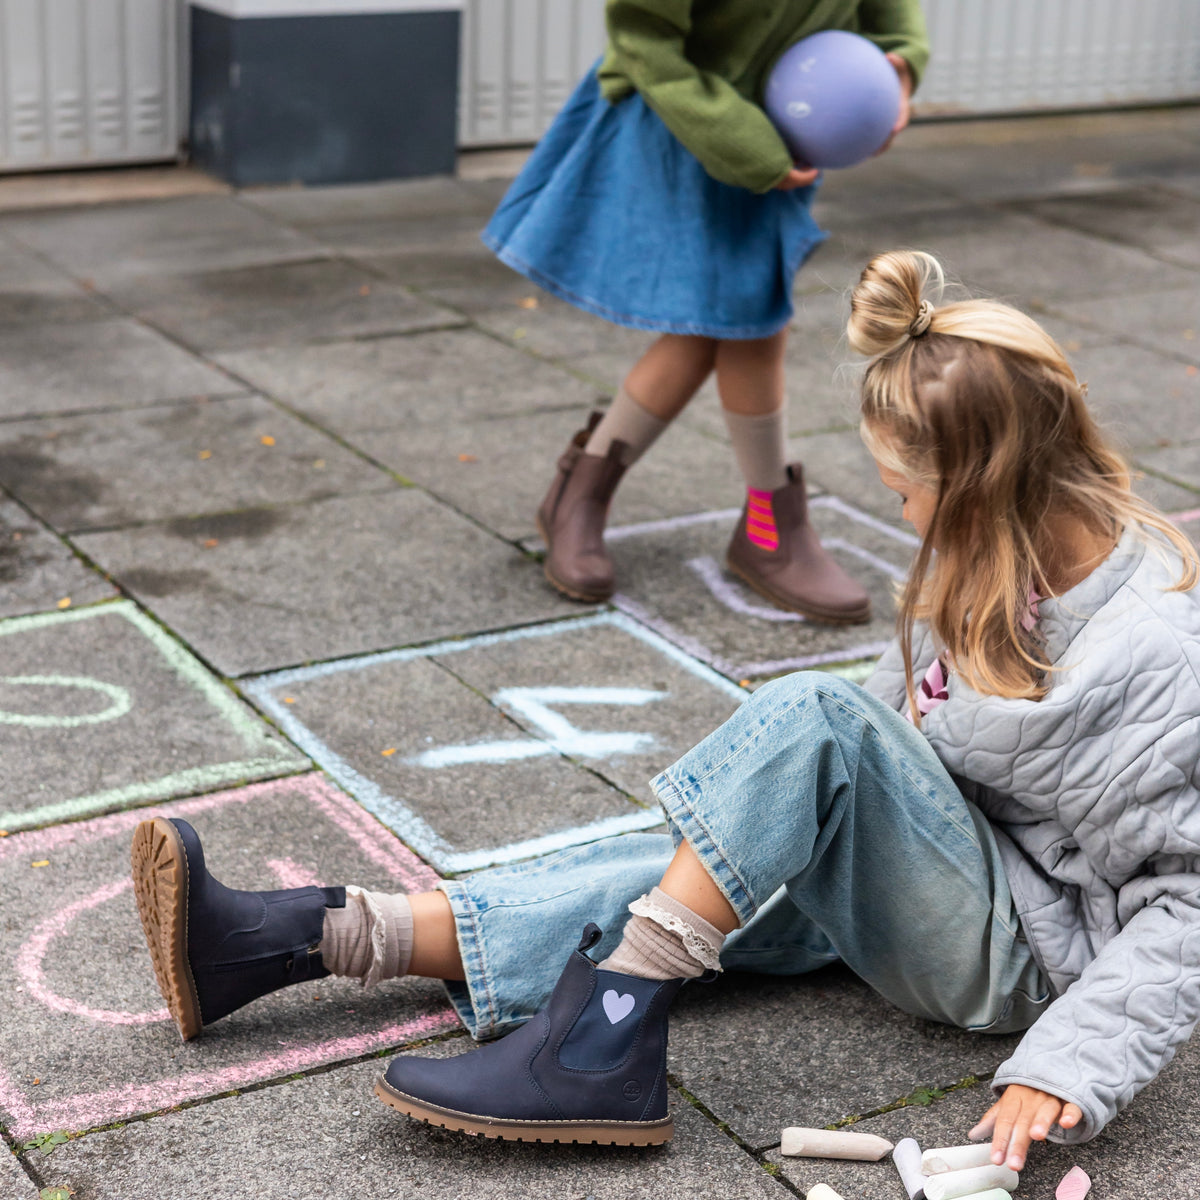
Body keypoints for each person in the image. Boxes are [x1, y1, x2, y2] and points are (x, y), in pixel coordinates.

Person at [131, 251, 1200, 1171]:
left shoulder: (1148, 651)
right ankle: (298, 940)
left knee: (802, 736)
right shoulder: (993, 553)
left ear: (976, 487)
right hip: (953, 862)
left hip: (1026, 949)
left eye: (901, 488)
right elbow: (895, 730)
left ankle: (602, 1039)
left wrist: (1069, 1066)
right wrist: (766, 810)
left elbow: (1188, 905)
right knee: (693, 876)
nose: (897, 507)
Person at [484, 0, 929, 622]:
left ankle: (581, 494)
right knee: (747, 321)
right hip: (684, 124)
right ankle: (767, 535)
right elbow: (644, 38)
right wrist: (750, 149)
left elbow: (891, 13)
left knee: (719, 327)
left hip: (783, 129)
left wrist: (896, 74)